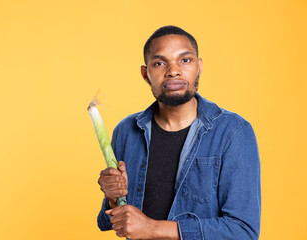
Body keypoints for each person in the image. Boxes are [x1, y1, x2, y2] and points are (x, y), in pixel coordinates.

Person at [97, 25, 261, 240]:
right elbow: (109, 222)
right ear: (146, 74)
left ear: (199, 67)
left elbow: (244, 232)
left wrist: (153, 229)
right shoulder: (126, 131)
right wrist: (112, 198)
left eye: (185, 60)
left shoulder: (233, 132)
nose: (173, 70)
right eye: (159, 63)